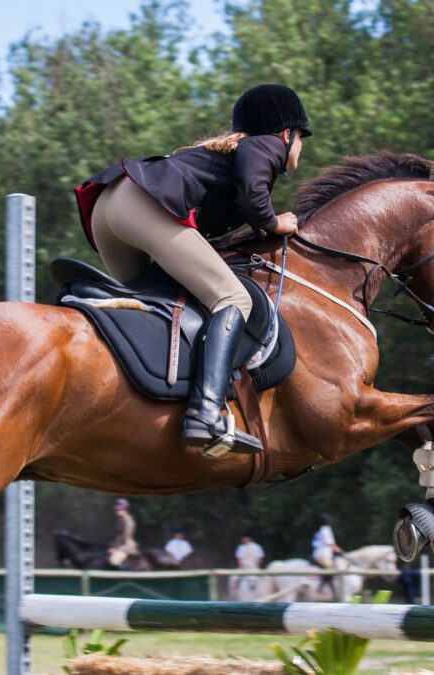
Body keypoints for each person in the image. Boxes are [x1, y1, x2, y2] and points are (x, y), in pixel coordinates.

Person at [74, 84, 311, 456]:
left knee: (152, 307)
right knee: (233, 297)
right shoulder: (263, 145)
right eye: (301, 138)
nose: (300, 147)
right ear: (286, 134)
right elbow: (253, 199)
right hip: (141, 207)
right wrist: (274, 223)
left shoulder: (222, 154)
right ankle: (205, 412)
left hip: (110, 208)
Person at [108, 498, 139, 567]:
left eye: (118, 509)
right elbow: (118, 536)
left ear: (124, 509)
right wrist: (112, 546)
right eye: (116, 509)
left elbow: (125, 538)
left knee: (113, 561)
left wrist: (115, 549)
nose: (116, 511)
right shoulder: (120, 519)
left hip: (126, 546)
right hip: (119, 545)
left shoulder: (128, 521)